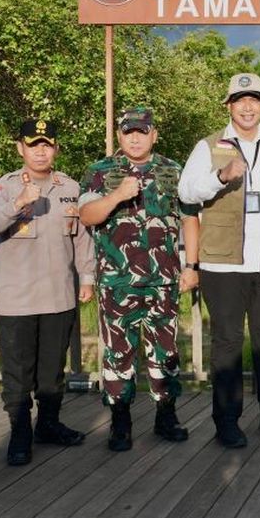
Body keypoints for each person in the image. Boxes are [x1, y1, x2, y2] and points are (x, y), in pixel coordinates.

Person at [178, 73, 260, 448]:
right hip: (223, 265)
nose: (247, 107)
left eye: (253, 100)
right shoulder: (208, 146)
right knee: (227, 343)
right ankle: (227, 420)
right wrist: (220, 176)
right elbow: (186, 192)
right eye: (239, 100)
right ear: (229, 106)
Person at [78, 107, 200, 452]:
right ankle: (120, 420)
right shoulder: (100, 171)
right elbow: (87, 215)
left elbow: (189, 219)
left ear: (154, 135)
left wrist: (191, 265)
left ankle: (166, 415)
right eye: (128, 132)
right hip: (117, 283)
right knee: (118, 354)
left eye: (141, 132)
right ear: (119, 135)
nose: (135, 138)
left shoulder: (173, 170)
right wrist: (117, 195)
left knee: (166, 351)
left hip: (163, 280)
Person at [0, 118, 95, 466]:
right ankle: (20, 431)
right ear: (21, 148)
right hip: (17, 300)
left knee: (52, 371)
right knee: (18, 373)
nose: (40, 151)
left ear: (56, 148)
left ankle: (48, 424)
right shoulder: (1, 187)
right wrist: (17, 204)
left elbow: (82, 237)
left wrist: (87, 277)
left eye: (47, 144)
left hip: (59, 296)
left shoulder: (70, 187)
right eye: (33, 144)